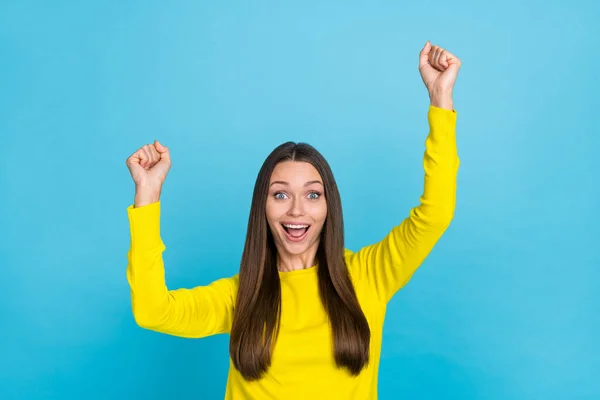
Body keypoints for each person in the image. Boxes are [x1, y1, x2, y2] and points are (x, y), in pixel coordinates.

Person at [124, 41, 461, 400]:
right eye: (281, 194)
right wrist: (148, 194)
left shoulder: (368, 276)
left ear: (330, 206)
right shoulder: (240, 296)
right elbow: (152, 311)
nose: (297, 210)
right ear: (263, 208)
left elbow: (435, 213)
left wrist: (440, 99)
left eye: (313, 195)